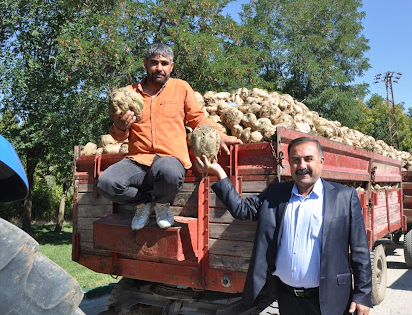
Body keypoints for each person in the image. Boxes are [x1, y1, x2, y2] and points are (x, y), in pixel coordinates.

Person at [195, 136, 372, 315]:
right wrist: (218, 172)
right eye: (295, 160)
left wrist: (363, 295)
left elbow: (360, 251)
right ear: (289, 163)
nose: (302, 165)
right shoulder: (276, 193)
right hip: (287, 298)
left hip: (330, 297)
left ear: (321, 161)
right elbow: (242, 210)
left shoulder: (344, 197)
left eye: (308, 159)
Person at [97, 43, 241, 230]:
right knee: (106, 183)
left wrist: (218, 135)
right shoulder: (129, 93)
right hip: (137, 160)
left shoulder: (181, 88)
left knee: (169, 171)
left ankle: (163, 205)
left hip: (169, 159)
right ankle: (144, 204)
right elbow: (118, 137)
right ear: (145, 64)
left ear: (171, 66)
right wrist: (119, 125)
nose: (159, 68)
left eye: (164, 63)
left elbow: (197, 119)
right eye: (154, 62)